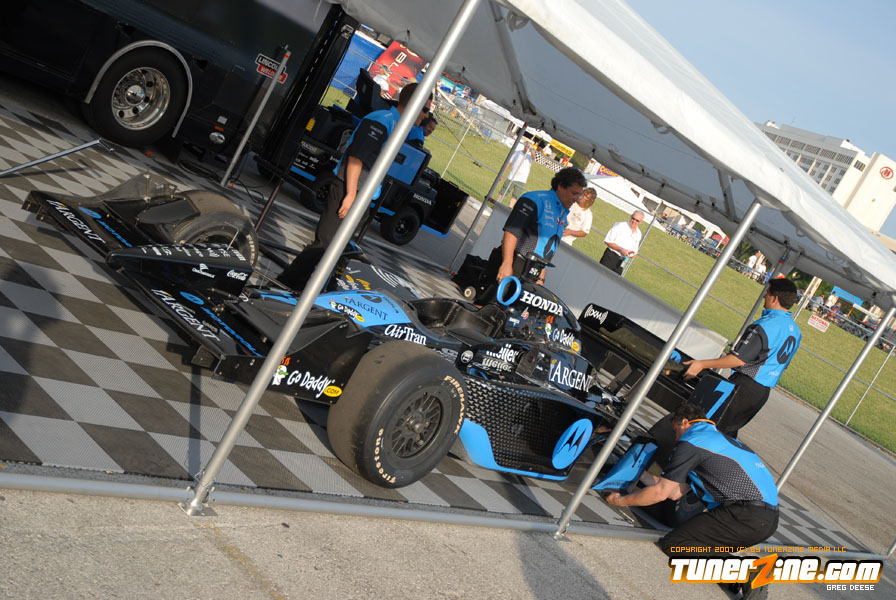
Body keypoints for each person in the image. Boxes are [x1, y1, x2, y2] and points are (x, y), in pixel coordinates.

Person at [606, 403, 779, 599]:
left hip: (743, 516)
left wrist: (620, 500)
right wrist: (638, 472)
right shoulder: (718, 440)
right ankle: (734, 577)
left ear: (685, 422)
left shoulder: (692, 441)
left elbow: (660, 493)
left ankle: (748, 572)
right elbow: (675, 492)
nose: (675, 438)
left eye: (675, 431)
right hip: (765, 521)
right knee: (698, 545)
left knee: (676, 544)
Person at [279, 83, 433, 288]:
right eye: (425, 110)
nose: (426, 116)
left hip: (363, 194)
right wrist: (351, 194)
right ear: (414, 103)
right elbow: (356, 157)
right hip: (349, 189)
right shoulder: (382, 120)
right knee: (325, 244)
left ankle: (317, 289)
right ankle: (284, 285)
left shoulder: (397, 125)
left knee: (339, 249)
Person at [682, 277, 802, 437]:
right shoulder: (796, 331)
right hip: (761, 394)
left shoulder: (766, 325)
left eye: (767, 293)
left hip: (745, 387)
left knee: (706, 429)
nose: (764, 296)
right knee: (726, 433)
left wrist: (701, 364)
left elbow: (738, 359)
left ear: (774, 298)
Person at [491, 166, 586, 287]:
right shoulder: (535, 199)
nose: (576, 199)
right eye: (574, 193)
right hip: (514, 262)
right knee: (491, 299)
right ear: (561, 186)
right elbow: (512, 231)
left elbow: (548, 247)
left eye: (579, 195)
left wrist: (541, 278)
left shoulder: (563, 212)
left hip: (533, 272)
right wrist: (506, 263)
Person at [498, 139, 536, 205]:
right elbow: (509, 163)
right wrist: (502, 174)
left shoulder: (530, 156)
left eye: (527, 147)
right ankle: (497, 203)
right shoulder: (518, 153)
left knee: (515, 195)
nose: (526, 148)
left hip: (521, 180)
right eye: (525, 146)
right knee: (503, 190)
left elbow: (534, 157)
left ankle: (510, 207)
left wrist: (531, 149)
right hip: (511, 176)